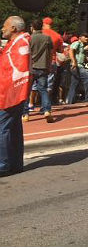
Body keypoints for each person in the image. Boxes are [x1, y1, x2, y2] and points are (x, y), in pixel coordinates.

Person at [0, 16, 30, 176]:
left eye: (4, 26)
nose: (2, 29)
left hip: (10, 94)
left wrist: (14, 94)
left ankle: (3, 164)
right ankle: (15, 164)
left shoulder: (21, 43)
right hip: (11, 93)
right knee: (13, 128)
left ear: (13, 28)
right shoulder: (16, 43)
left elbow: (21, 70)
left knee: (3, 128)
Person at [24, 19, 54, 123]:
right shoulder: (47, 38)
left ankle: (26, 114)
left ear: (32, 27)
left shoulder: (29, 39)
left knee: (26, 92)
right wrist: (49, 66)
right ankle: (47, 111)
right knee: (43, 90)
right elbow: (51, 53)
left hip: (31, 67)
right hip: (43, 67)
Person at [66, 32, 88, 104]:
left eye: (87, 37)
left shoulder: (81, 45)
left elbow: (78, 53)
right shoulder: (77, 43)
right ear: (80, 37)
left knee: (74, 83)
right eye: (85, 37)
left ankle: (70, 101)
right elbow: (71, 50)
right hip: (77, 65)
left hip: (77, 65)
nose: (87, 38)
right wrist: (74, 62)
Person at [41, 17, 63, 105]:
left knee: (36, 84)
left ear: (43, 24)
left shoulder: (38, 34)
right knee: (49, 84)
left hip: (38, 62)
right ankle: (46, 104)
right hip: (51, 60)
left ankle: (31, 104)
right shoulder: (57, 36)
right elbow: (60, 50)